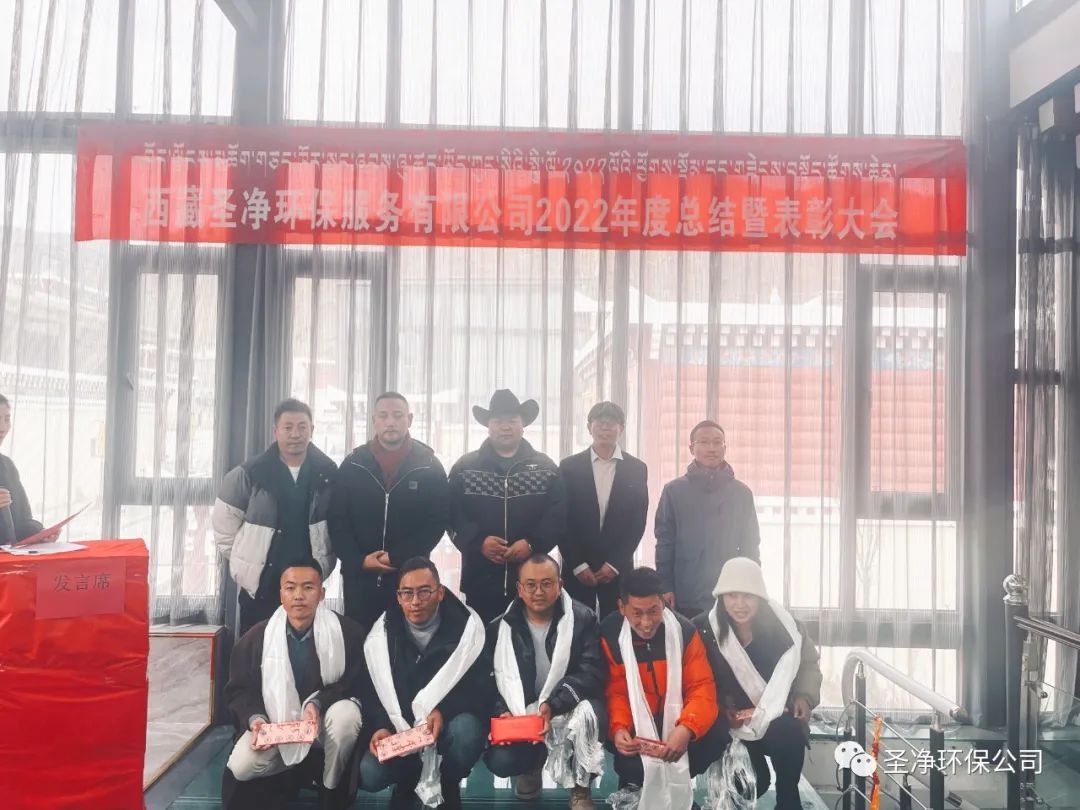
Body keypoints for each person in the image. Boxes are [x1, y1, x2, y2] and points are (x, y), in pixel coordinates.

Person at [221, 560, 368, 810]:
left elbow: (355, 685)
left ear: (322, 593)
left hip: (323, 726)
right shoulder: (257, 637)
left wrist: (317, 703)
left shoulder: (348, 633)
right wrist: (256, 719)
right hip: (277, 727)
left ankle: (330, 788)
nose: (298, 596)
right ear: (281, 594)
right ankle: (291, 774)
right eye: (290, 588)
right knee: (241, 766)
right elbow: (240, 689)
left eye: (308, 587)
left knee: (347, 717)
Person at [359, 557, 491, 810]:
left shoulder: (469, 631)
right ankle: (407, 781)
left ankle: (448, 783)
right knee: (370, 773)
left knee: (466, 733)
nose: (415, 601)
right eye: (407, 593)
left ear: (440, 593)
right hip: (401, 729)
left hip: (447, 725)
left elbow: (481, 689)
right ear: (398, 597)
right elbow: (370, 691)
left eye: (424, 592)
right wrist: (381, 726)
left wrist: (444, 710)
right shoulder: (380, 636)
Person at [693, 557, 822, 810]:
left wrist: (804, 697)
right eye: (732, 596)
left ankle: (788, 798)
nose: (740, 604)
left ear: (760, 598)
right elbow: (695, 681)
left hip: (775, 716)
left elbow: (808, 664)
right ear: (721, 597)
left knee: (790, 733)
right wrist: (719, 710)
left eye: (748, 596)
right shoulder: (703, 629)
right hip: (730, 725)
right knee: (753, 784)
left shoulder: (787, 628)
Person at [485, 554, 608, 810]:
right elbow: (487, 682)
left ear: (560, 585)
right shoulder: (499, 628)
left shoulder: (583, 619)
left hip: (567, 703)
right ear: (519, 588)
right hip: (523, 709)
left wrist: (554, 703)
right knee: (502, 760)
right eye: (530, 585)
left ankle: (580, 787)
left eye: (546, 584)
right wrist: (502, 711)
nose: (538, 592)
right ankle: (530, 767)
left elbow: (592, 672)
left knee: (592, 714)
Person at [214, 399, 338, 634]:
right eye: (288, 427)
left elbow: (337, 526)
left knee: (305, 648)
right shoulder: (249, 473)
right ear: (275, 431)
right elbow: (224, 528)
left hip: (307, 585)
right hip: (261, 586)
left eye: (302, 427)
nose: (295, 434)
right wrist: (246, 561)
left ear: (312, 430)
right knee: (257, 647)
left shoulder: (328, 473)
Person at [600, 567, 720, 810]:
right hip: (636, 722)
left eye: (653, 611)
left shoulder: (685, 632)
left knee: (715, 736)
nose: (646, 623)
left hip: (677, 719)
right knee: (630, 761)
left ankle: (678, 792)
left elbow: (701, 687)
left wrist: (687, 728)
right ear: (622, 607)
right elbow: (616, 691)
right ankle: (634, 785)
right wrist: (619, 728)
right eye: (637, 613)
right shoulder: (609, 635)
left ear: (664, 603)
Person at [329, 391, 449, 629]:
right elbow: (337, 520)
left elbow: (437, 521)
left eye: (397, 415)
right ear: (374, 420)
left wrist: (397, 557)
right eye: (383, 416)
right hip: (360, 579)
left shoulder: (429, 465)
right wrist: (359, 560)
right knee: (360, 641)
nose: (390, 422)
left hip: (410, 578)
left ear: (410, 419)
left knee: (406, 641)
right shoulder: (353, 464)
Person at [448, 389, 567, 624]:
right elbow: (451, 513)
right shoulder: (465, 467)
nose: (505, 427)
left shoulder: (546, 467)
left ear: (523, 425)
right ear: (488, 426)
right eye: (498, 421)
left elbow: (558, 514)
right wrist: (478, 542)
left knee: (530, 641)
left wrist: (532, 544)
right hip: (479, 580)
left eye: (512, 421)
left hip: (533, 584)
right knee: (483, 641)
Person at [655, 420, 760, 618]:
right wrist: (665, 586)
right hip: (686, 591)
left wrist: (751, 585)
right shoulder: (674, 491)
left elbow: (751, 545)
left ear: (725, 447)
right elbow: (665, 542)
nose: (712, 448)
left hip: (730, 591)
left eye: (717, 442)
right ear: (691, 448)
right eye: (704, 442)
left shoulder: (741, 493)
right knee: (689, 637)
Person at [559, 401, 648, 618]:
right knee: (575, 625)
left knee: (617, 626)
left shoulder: (636, 468)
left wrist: (615, 564)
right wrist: (578, 565)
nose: (605, 428)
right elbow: (561, 519)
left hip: (617, 567)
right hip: (577, 567)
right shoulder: (569, 467)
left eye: (611, 423)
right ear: (589, 428)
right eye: (599, 423)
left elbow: (637, 522)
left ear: (621, 428)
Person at [0, 394, 48, 543]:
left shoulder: (7, 466)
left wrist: (40, 534)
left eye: (6, 419)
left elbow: (22, 522)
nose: (2, 428)